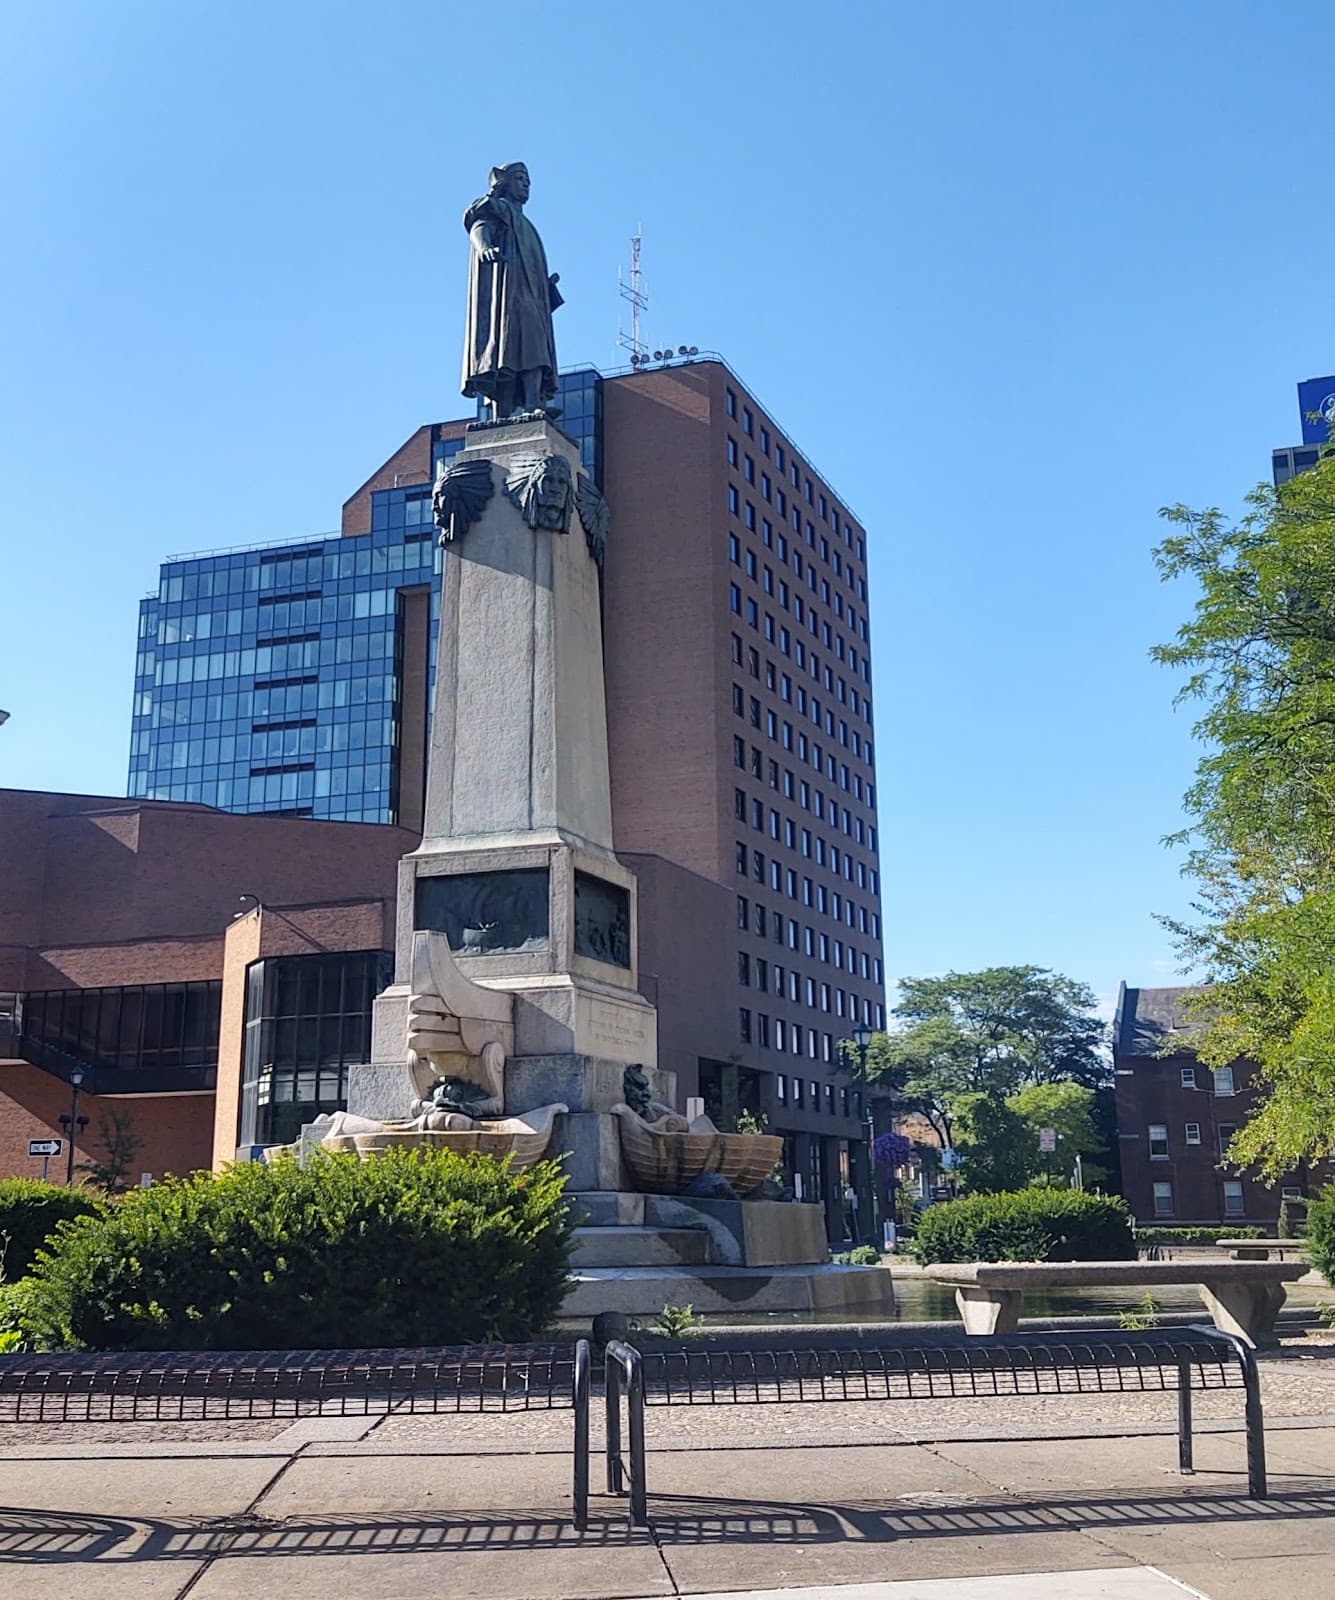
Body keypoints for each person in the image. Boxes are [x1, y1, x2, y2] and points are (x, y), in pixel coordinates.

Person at [461, 162, 563, 420]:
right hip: (508, 294)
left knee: (533, 345)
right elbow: (479, 226)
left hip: (531, 295)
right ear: (504, 182)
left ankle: (531, 403)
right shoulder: (499, 208)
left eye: (528, 179)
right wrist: (484, 248)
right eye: (520, 178)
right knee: (505, 349)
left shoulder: (528, 226)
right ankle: (504, 411)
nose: (526, 184)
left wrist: (546, 286)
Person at [842, 1179, 860, 1245]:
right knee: (847, 1224)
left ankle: (851, 1236)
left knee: (849, 1224)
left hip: (848, 1212)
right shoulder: (844, 1195)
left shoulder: (847, 1195)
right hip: (845, 1212)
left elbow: (847, 1202)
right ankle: (850, 1235)